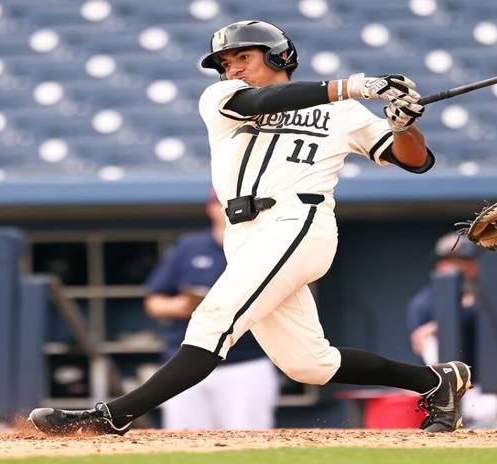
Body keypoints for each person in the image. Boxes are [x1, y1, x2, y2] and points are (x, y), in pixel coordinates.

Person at [26, 19, 472, 436]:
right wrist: (351, 85)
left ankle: (114, 416)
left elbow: (414, 161)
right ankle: (437, 382)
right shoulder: (220, 98)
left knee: (214, 320)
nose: (232, 69)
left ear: (279, 56)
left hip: (298, 221)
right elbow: (263, 102)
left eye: (244, 58)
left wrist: (404, 125)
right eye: (226, 63)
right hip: (244, 232)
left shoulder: (345, 113)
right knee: (309, 365)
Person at [143, 194, 280, 429]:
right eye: (220, 203)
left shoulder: (264, 246)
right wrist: (180, 306)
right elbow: (154, 302)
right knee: (182, 443)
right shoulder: (188, 247)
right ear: (210, 208)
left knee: (250, 443)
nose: (226, 209)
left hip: (245, 362)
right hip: (185, 361)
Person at [407, 231, 481, 366]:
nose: (456, 267)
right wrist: (438, 327)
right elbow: (421, 342)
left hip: (493, 379)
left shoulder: (489, 294)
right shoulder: (424, 302)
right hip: (451, 379)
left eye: (463, 260)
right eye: (446, 260)